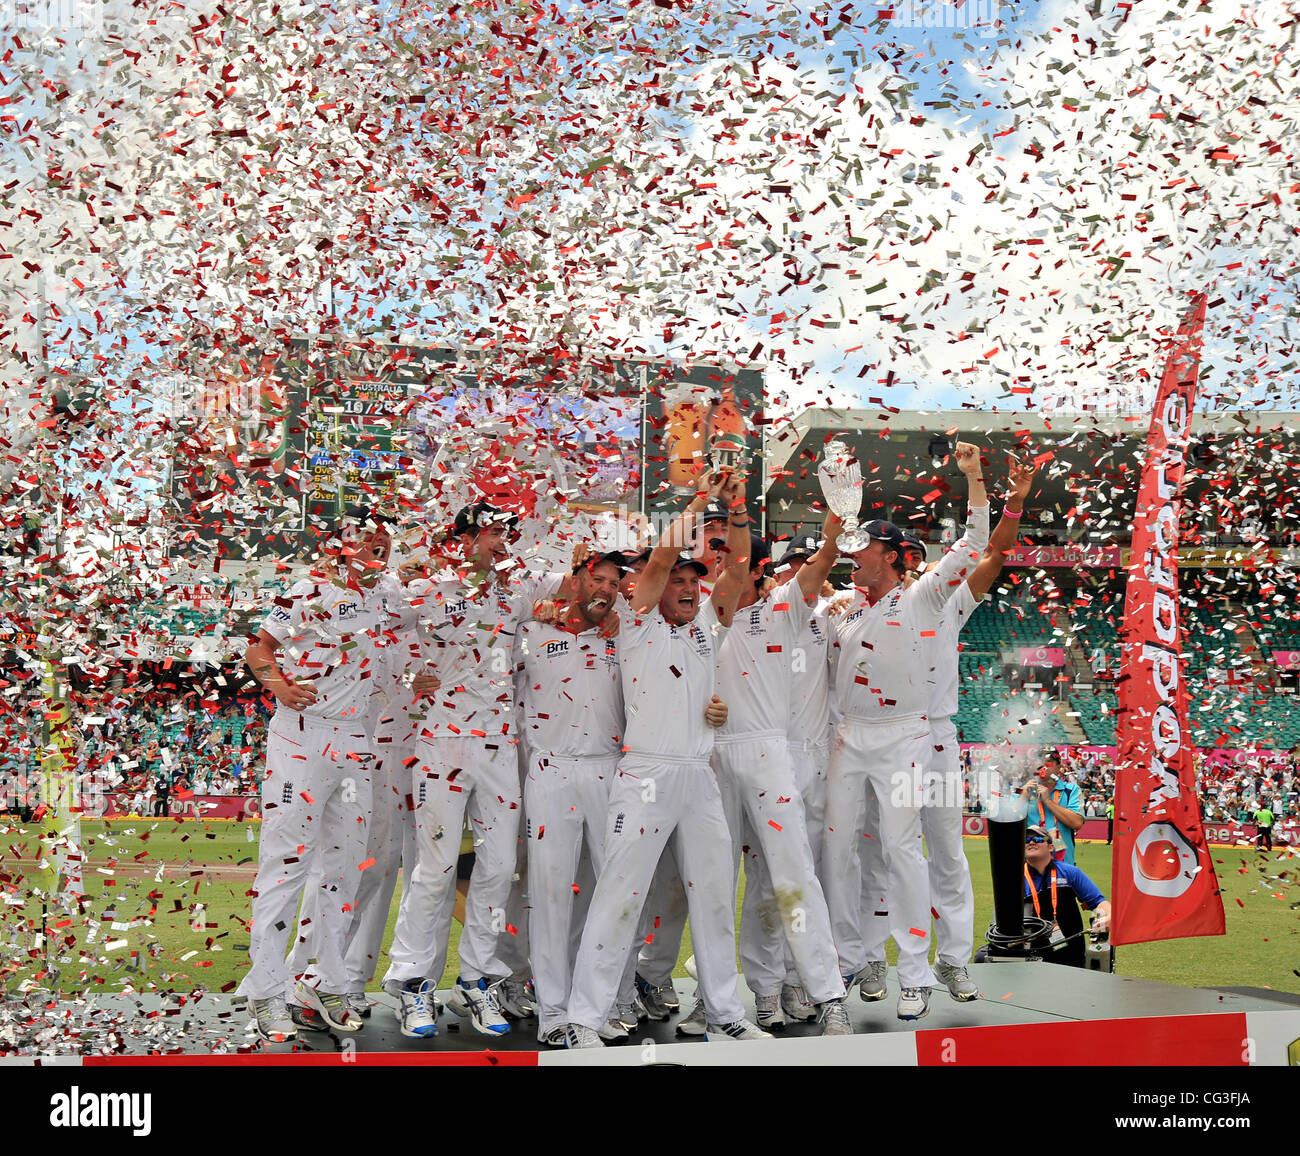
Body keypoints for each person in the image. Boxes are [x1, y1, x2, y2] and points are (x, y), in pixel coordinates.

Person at [565, 470, 769, 1047]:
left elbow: (735, 574)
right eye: (678, 579)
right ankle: (584, 1019)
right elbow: (655, 562)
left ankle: (726, 1010)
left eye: (692, 581)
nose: (686, 587)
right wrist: (699, 499)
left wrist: (736, 511)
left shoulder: (707, 628)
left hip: (698, 776)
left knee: (713, 894)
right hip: (647, 773)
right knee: (620, 894)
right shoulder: (634, 624)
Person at [380, 503, 577, 1038]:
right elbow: (376, 633)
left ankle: (479, 980)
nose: (500, 541)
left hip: (497, 746)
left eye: (505, 533)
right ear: (464, 538)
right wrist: (408, 681)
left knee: (496, 869)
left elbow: (582, 579)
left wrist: (570, 510)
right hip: (441, 744)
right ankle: (414, 982)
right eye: (492, 531)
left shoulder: (518, 587)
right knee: (436, 869)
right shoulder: (426, 587)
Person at [823, 441, 987, 1023]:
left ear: (895, 556)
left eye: (863, 544)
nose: (852, 554)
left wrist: (973, 482)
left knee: (909, 850)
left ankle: (921, 970)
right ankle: (855, 959)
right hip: (849, 737)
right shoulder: (839, 606)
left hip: (913, 736)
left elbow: (973, 549)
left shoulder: (924, 599)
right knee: (841, 851)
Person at [885, 454, 1037, 1006]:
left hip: (940, 741)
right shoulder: (862, 609)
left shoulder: (950, 604)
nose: (927, 572)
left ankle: (952, 961)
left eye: (929, 563)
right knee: (897, 854)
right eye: (914, 561)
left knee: (946, 850)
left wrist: (1015, 502)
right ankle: (905, 968)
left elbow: (995, 553)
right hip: (891, 740)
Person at [237, 506, 392, 1043]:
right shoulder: (307, 591)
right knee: (286, 865)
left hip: (354, 739)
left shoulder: (385, 595)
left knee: (344, 869)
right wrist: (277, 685)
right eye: (370, 542)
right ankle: (264, 990)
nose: (382, 550)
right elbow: (258, 646)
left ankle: (318, 982)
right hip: (301, 735)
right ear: (341, 546)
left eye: (385, 542)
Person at [711, 516, 852, 1036]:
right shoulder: (702, 612)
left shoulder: (782, 607)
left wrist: (836, 529)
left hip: (769, 753)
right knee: (715, 884)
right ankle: (752, 995)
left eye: (734, 562)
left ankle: (827, 992)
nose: (723, 569)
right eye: (720, 561)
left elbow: (819, 569)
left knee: (791, 876)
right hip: (712, 757)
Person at [1022, 824, 1111, 967]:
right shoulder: (1014, 880)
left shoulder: (1070, 873)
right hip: (1030, 957)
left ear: (1051, 848)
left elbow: (1099, 902)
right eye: (1026, 840)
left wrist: (1109, 916)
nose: (1031, 842)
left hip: (1072, 956)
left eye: (1038, 838)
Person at [1021, 748, 1083, 864]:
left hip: (1064, 866)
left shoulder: (1071, 790)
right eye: (1038, 761)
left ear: (1059, 767)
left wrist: (1048, 801)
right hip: (1030, 867)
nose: (1042, 765)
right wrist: (1023, 797)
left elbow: (1077, 823)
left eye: (1048, 761)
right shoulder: (1023, 791)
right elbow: (1008, 824)